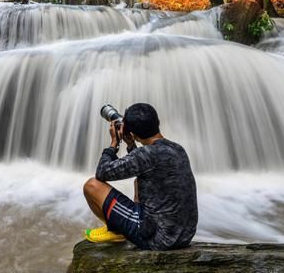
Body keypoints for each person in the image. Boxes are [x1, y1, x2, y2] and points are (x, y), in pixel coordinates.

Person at [83, 103, 198, 251]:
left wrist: (114, 144)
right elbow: (145, 165)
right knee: (139, 180)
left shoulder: (146, 154)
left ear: (133, 133)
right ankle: (123, 225)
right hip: (184, 235)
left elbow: (102, 172)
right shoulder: (177, 148)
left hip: (158, 239)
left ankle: (117, 231)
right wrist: (131, 145)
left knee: (92, 186)